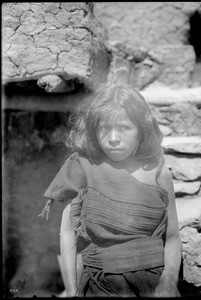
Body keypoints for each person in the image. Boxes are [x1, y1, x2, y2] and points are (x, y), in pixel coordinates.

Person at [39, 84, 182, 297]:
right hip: (99, 284)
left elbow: (172, 237)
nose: (113, 138)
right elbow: (68, 231)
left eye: (124, 128)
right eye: (105, 128)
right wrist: (70, 289)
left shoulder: (160, 174)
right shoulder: (84, 167)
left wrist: (169, 281)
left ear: (142, 129)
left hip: (152, 284)